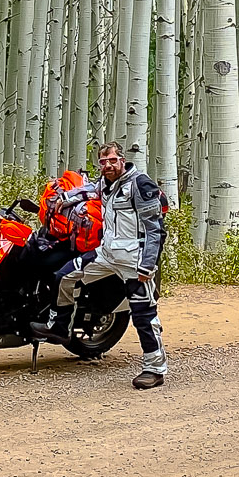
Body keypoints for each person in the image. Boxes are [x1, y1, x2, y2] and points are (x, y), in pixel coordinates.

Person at [64, 140, 169, 390]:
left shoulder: (139, 184)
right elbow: (89, 190)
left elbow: (155, 230)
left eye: (112, 160)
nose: (108, 165)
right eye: (103, 162)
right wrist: (65, 198)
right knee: (66, 276)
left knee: (144, 315)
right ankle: (59, 325)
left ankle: (154, 369)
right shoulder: (106, 185)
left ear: (123, 160)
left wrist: (148, 265)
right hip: (107, 255)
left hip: (134, 261)